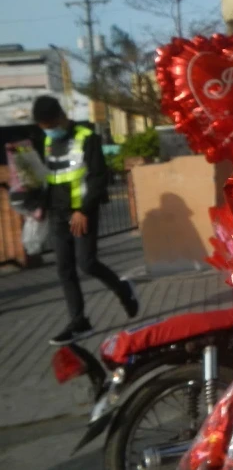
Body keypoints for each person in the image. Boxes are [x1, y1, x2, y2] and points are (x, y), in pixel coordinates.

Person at [32, 96, 139, 345]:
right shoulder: (46, 140)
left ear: (60, 116)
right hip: (57, 213)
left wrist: (83, 209)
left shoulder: (86, 136)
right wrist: (39, 204)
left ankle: (124, 290)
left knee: (87, 263)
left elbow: (98, 176)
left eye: (50, 125)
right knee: (64, 268)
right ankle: (79, 322)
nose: (48, 130)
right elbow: (48, 175)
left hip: (81, 212)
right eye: (43, 127)